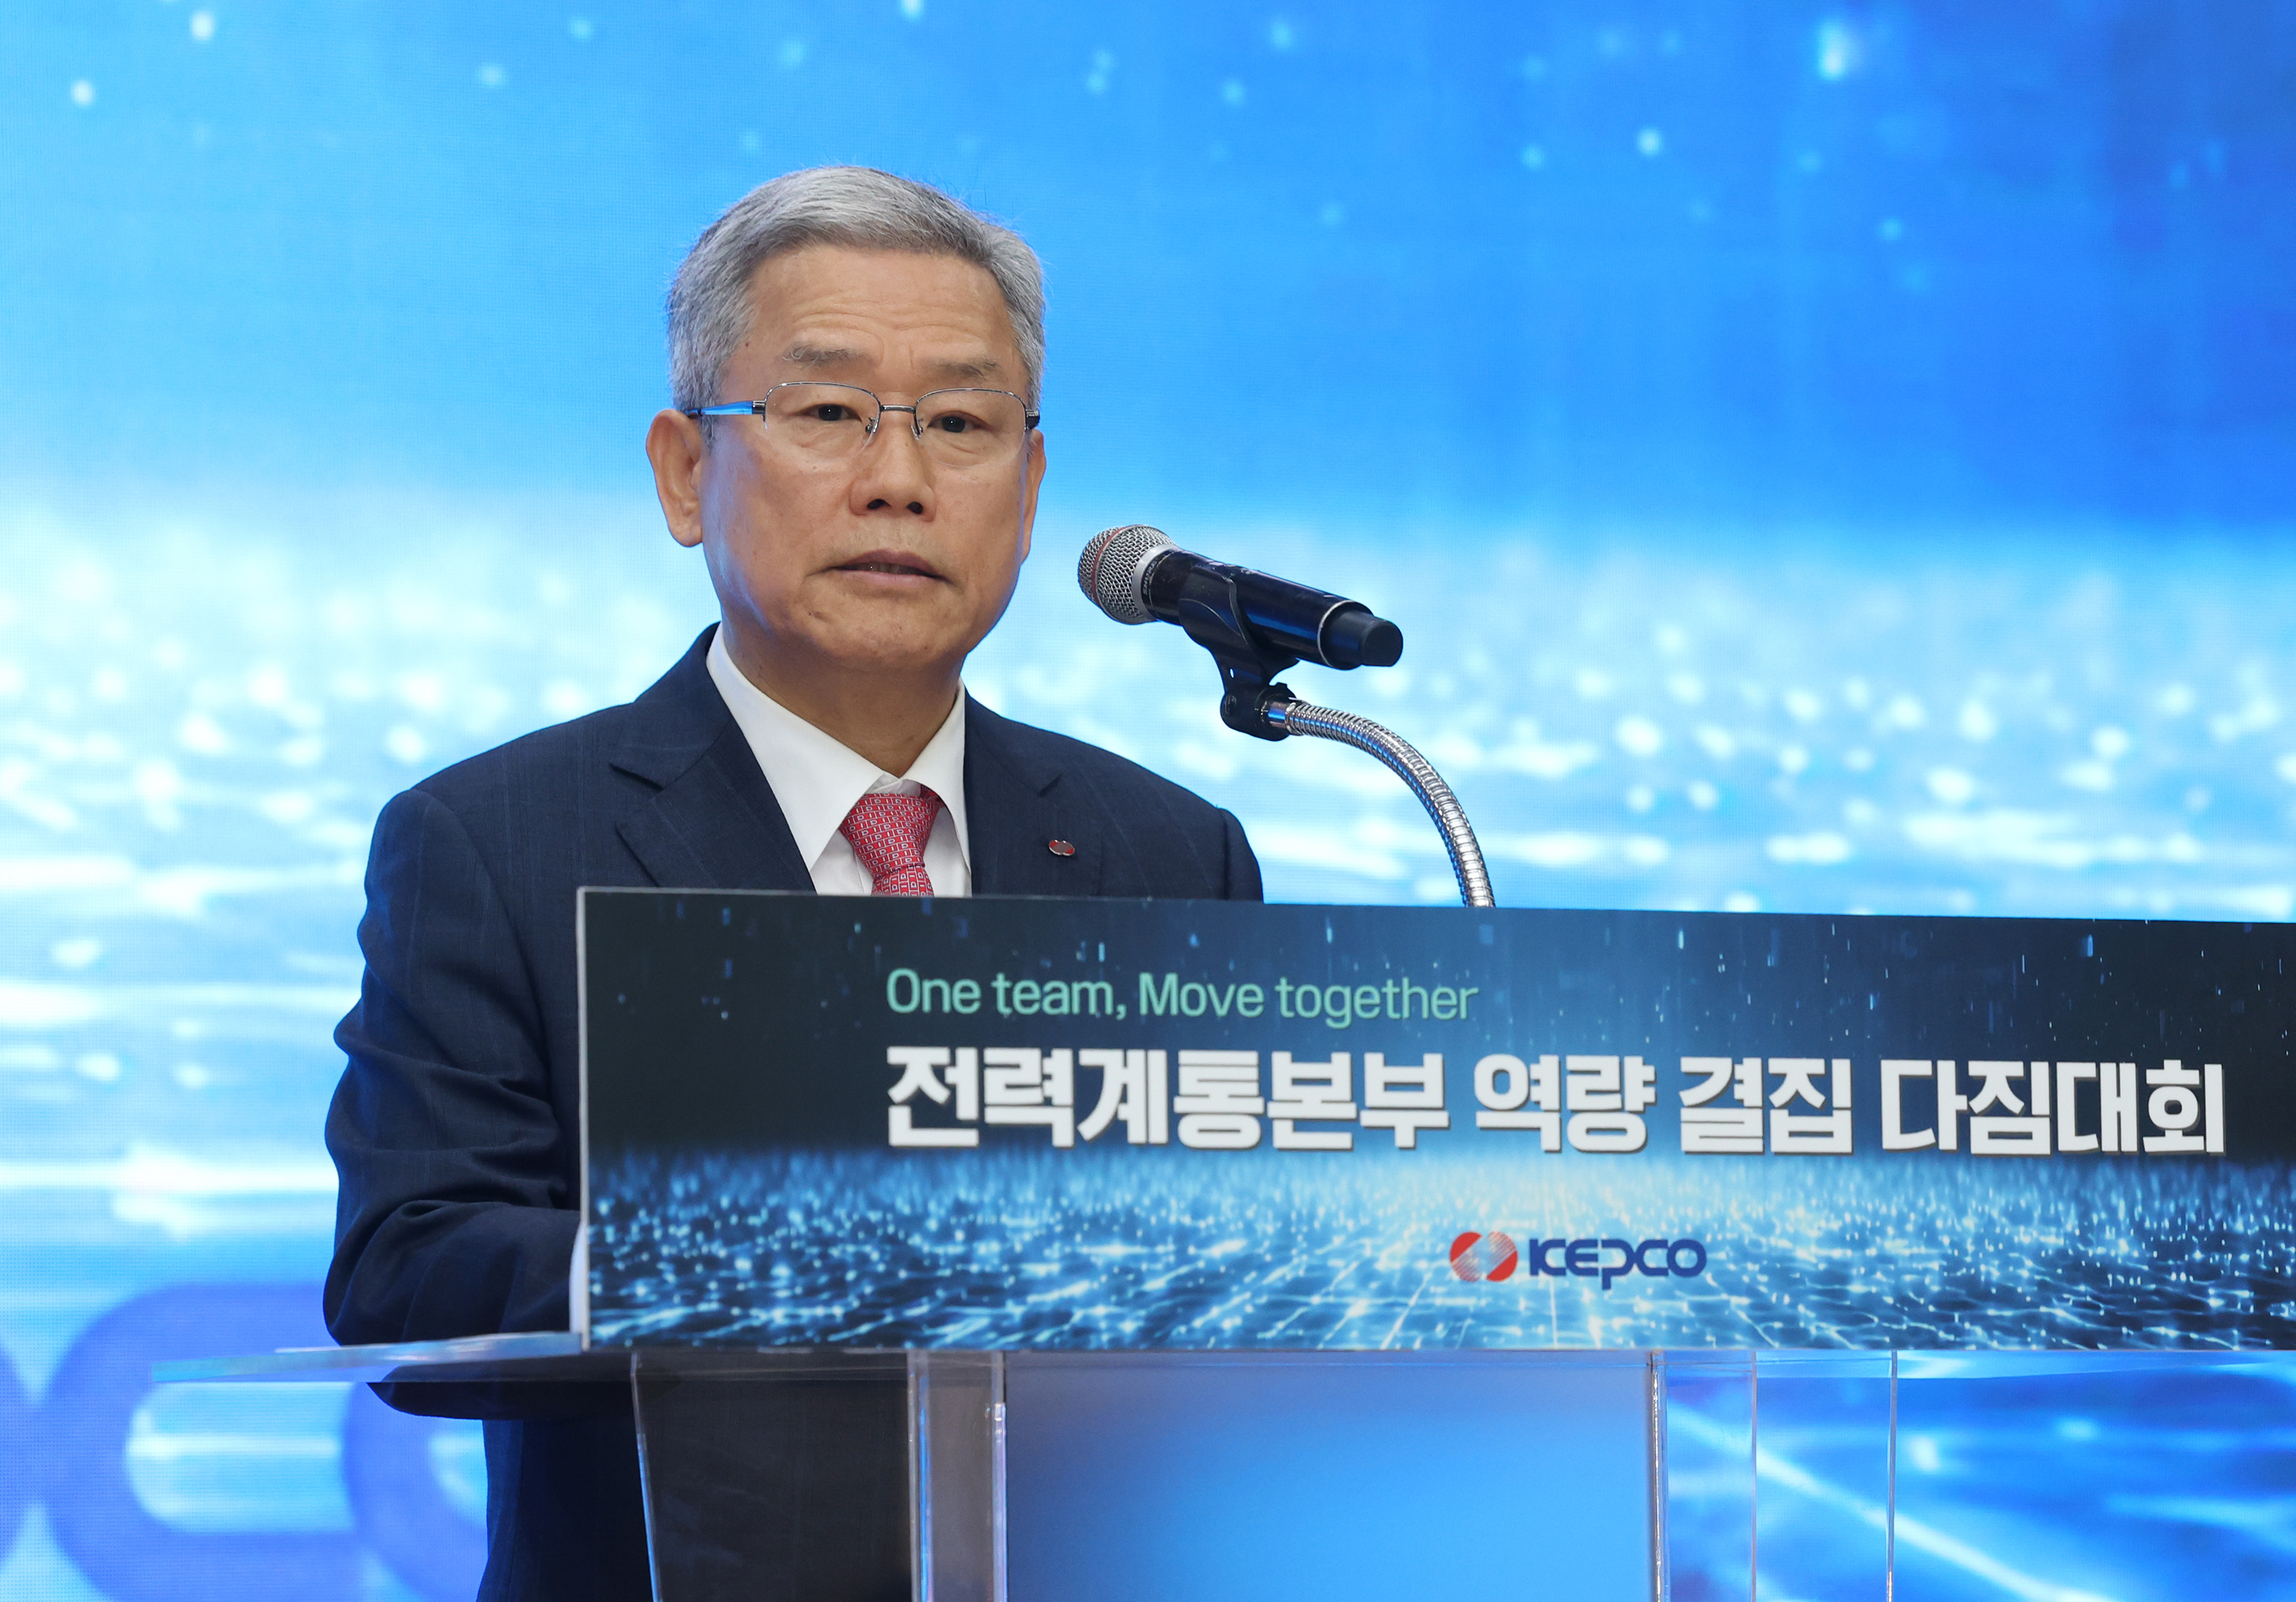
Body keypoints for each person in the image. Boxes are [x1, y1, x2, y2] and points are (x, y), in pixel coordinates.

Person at [323, 166, 1261, 1600]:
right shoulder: (497, 842)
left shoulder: (1169, 857)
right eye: (827, 413)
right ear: (684, 473)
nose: (900, 478)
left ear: (1029, 493)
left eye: (960, 423)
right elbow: (411, 1266)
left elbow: (1245, 1286)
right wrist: (795, 1254)